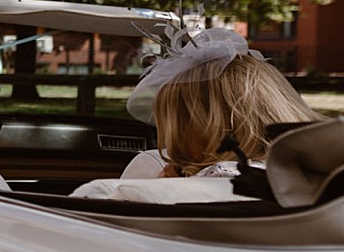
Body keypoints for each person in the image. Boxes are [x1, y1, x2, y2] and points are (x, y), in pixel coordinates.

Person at [117, 28, 324, 180]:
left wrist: (162, 189)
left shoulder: (212, 180)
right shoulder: (319, 173)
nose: (171, 143)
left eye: (176, 126)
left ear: (205, 125)